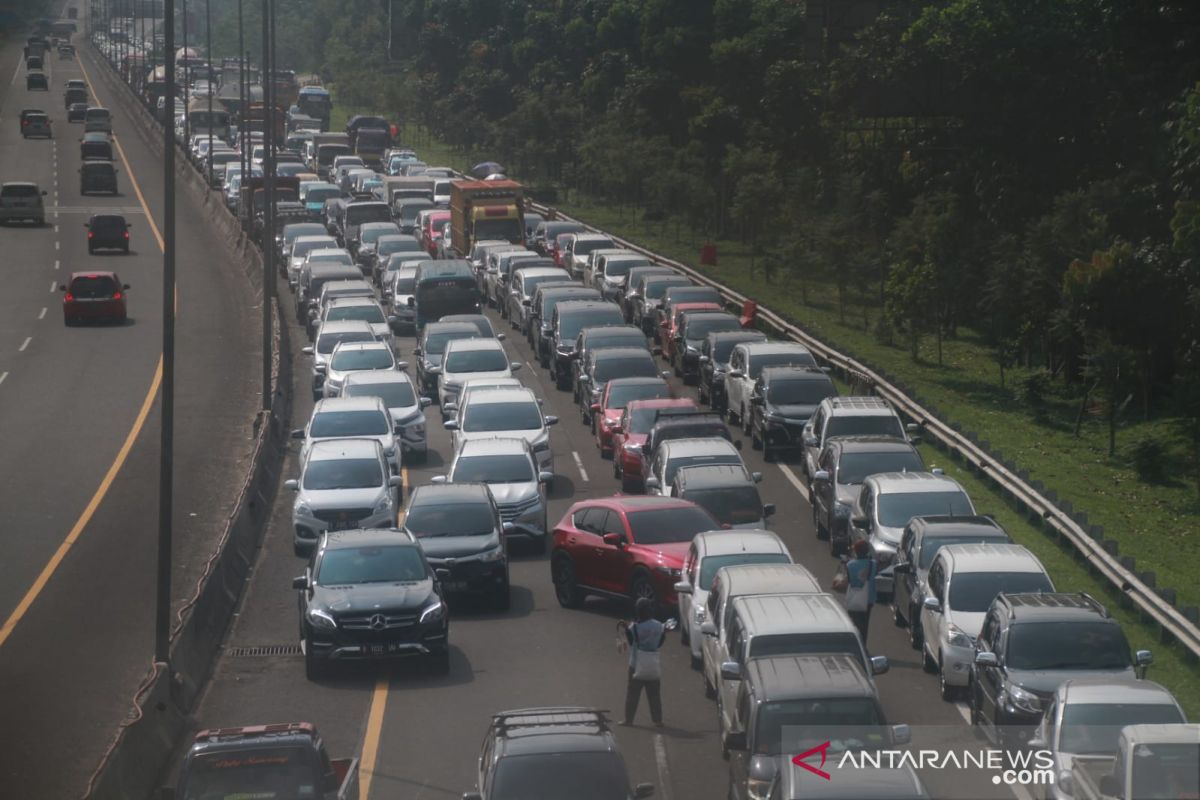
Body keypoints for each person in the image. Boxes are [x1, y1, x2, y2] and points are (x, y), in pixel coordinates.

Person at [621, 598, 666, 727]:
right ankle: (658, 720)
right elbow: (661, 641)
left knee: (633, 694)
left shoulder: (634, 627)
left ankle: (628, 720)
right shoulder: (658, 626)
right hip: (652, 665)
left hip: (636, 665)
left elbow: (630, 642)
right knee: (654, 695)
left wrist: (627, 629)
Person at [844, 540, 878, 646]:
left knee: (854, 624)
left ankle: (854, 645)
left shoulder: (849, 565)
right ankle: (863, 645)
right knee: (864, 625)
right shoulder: (873, 564)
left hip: (853, 598)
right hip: (868, 598)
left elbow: (848, 581)